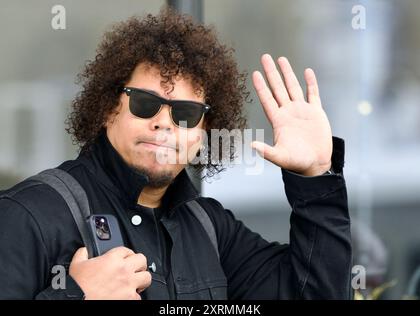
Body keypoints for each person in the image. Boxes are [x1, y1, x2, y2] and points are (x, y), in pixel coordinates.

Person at [0, 9, 351, 300]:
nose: (164, 123)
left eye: (184, 113)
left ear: (203, 129)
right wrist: (77, 295)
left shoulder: (210, 228)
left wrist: (316, 176)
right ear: (109, 108)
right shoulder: (28, 216)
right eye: (145, 104)